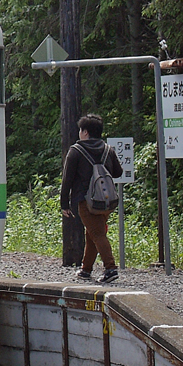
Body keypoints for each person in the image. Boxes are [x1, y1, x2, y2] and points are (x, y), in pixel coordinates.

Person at [60, 113, 124, 283]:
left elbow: (67, 179)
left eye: (81, 130)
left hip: (86, 201)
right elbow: (118, 172)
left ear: (86, 132)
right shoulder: (107, 150)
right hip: (107, 200)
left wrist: (64, 203)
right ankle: (86, 269)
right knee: (93, 233)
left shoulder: (76, 151)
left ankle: (110, 269)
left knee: (97, 234)